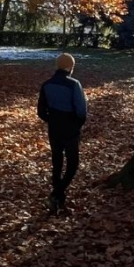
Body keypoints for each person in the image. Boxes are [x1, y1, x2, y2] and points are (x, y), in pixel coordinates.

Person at [38, 53, 87, 215]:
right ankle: (55, 195)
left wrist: (52, 120)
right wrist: (77, 124)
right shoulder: (74, 84)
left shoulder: (46, 84)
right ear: (69, 67)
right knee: (72, 164)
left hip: (54, 128)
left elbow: (40, 111)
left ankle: (58, 198)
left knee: (57, 162)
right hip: (70, 129)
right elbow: (81, 111)